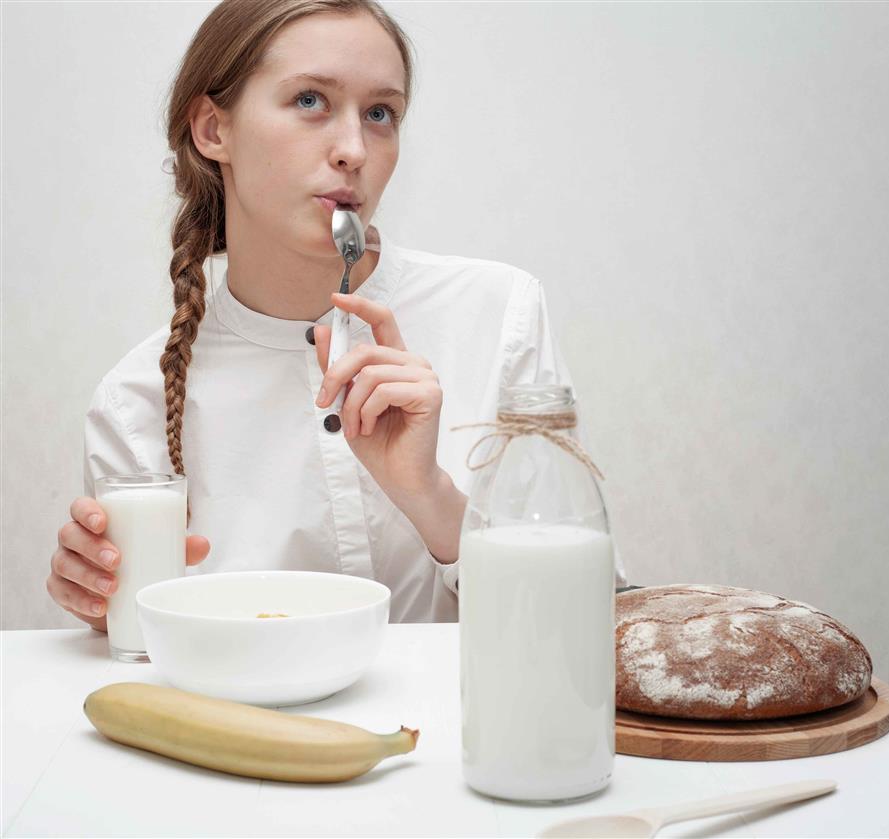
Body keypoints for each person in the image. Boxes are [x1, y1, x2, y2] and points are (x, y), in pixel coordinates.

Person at [46, 0, 626, 628]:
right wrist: (111, 612)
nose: (354, 149)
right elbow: (144, 667)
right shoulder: (134, 405)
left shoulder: (500, 314)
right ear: (214, 130)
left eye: (381, 114)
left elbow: (594, 622)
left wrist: (428, 495)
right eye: (309, 101)